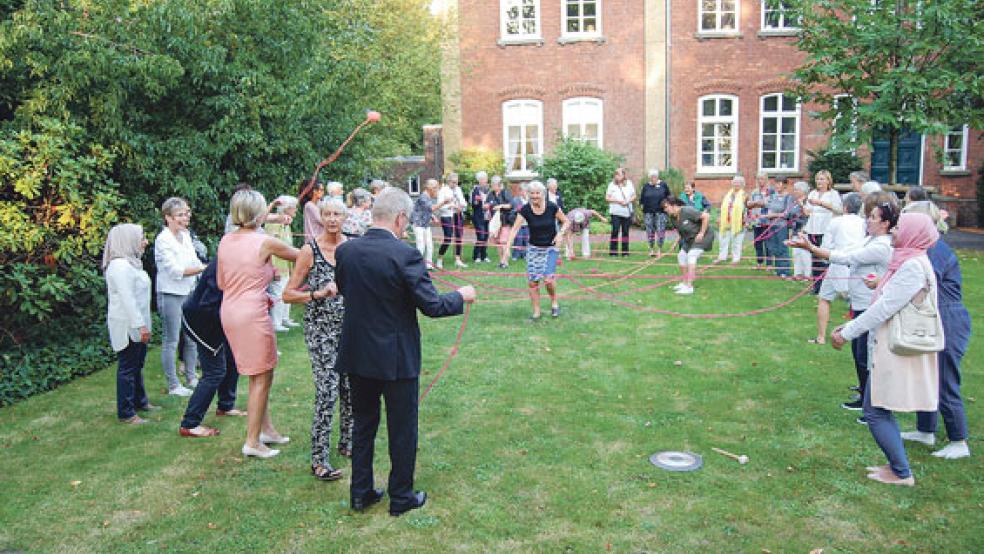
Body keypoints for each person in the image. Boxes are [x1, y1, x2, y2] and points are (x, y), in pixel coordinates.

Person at [333, 187, 476, 516]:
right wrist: (461, 295)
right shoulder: (405, 254)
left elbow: (345, 290)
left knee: (363, 424)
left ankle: (361, 492)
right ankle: (400, 497)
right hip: (395, 358)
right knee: (402, 427)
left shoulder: (347, 251)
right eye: (407, 221)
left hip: (357, 354)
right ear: (399, 218)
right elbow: (432, 305)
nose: (407, 227)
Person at [831, 213, 941, 486]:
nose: (894, 230)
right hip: (889, 345)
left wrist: (846, 333)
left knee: (875, 410)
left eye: (900, 227)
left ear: (914, 232)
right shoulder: (906, 260)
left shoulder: (913, 265)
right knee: (877, 407)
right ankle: (897, 466)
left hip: (894, 348)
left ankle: (902, 472)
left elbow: (883, 308)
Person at [790, 194, 897, 414]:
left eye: (873, 218)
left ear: (885, 223)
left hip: (870, 307)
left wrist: (812, 249)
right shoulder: (871, 240)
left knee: (866, 357)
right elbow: (847, 252)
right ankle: (864, 395)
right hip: (859, 303)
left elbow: (848, 258)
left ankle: (872, 406)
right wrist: (812, 247)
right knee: (859, 354)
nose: (867, 220)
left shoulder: (881, 246)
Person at [218, 189, 298, 458]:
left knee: (262, 373)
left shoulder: (226, 240)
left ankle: (266, 430)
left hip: (230, 310)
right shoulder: (263, 241)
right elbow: (301, 256)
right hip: (251, 313)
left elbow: (221, 282)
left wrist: (262, 273)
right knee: (260, 378)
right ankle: (252, 442)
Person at [283, 199, 353, 481]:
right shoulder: (309, 251)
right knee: (327, 391)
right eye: (327, 214)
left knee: (351, 388)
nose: (332, 219)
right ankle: (319, 459)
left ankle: (348, 443)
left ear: (345, 217)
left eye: (337, 214)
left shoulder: (351, 248)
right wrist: (316, 294)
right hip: (320, 330)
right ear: (320, 218)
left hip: (350, 328)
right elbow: (287, 294)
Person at [899, 201, 971, 459]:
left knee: (944, 379)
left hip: (947, 319)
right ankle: (925, 429)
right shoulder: (924, 248)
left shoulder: (934, 250)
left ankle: (959, 441)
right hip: (933, 316)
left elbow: (922, 285)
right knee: (926, 375)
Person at [178, 258, 247, 438]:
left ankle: (225, 405)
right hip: (202, 320)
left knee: (232, 358)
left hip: (216, 318)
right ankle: (190, 423)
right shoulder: (226, 261)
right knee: (215, 371)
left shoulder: (237, 257)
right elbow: (209, 304)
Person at [103, 223, 157, 424]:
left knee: (137, 364)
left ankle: (140, 401)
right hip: (127, 325)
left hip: (138, 322)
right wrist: (139, 326)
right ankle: (126, 412)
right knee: (128, 366)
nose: (145, 242)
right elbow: (128, 299)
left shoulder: (132, 263)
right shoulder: (120, 266)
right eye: (141, 237)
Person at [154, 197, 206, 397]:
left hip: (189, 291)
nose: (186, 218)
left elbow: (193, 261)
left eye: (187, 213)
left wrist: (202, 271)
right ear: (168, 217)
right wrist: (201, 268)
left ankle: (192, 377)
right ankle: (174, 384)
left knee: (192, 337)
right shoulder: (163, 239)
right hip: (171, 293)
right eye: (180, 215)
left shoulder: (185, 236)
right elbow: (175, 270)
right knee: (172, 339)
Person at [803, 192, 866, 344]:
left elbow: (826, 247)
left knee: (830, 299)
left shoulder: (836, 222)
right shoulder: (864, 223)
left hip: (839, 264)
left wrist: (826, 259)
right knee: (826, 297)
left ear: (845, 207)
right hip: (855, 265)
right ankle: (823, 337)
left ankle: (826, 337)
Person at [506, 181, 569, 319]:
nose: (534, 196)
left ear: (543, 194)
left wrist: (560, 234)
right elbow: (514, 229)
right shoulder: (525, 209)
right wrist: (507, 248)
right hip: (534, 249)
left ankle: (554, 302)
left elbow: (566, 221)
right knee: (533, 281)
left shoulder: (552, 207)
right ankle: (536, 312)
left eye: (537, 193)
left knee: (548, 280)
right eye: (532, 193)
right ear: (528, 194)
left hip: (551, 249)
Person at [662, 198, 714, 295]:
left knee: (692, 255)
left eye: (666, 207)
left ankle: (689, 287)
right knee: (681, 256)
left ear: (674, 205)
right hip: (690, 239)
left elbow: (706, 216)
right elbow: (681, 232)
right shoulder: (673, 217)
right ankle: (685, 283)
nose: (665, 210)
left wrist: (702, 233)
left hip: (704, 236)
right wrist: (675, 244)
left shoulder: (687, 210)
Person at [804, 170, 844, 292]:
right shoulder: (812, 193)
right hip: (813, 229)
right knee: (814, 257)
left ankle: (827, 286)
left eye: (822, 179)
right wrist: (805, 209)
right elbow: (808, 210)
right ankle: (816, 285)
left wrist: (821, 203)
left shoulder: (833, 194)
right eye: (818, 179)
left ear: (828, 181)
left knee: (824, 258)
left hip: (826, 230)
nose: (819, 182)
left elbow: (839, 210)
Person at [266, 195, 299, 332]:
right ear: (287, 208)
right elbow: (271, 249)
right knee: (277, 293)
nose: (296, 210)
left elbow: (288, 247)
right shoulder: (273, 224)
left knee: (286, 291)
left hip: (286, 265)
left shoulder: (286, 224)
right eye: (294, 207)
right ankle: (276, 323)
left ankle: (284, 318)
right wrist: (274, 269)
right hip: (277, 266)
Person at [411, 179, 446, 269]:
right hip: (418, 224)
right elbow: (431, 208)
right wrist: (443, 202)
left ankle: (429, 265)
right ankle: (416, 264)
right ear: (430, 188)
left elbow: (426, 210)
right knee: (421, 245)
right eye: (436, 188)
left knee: (430, 245)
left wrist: (432, 216)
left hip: (425, 224)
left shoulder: (428, 197)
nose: (437, 191)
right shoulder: (423, 196)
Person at [763, 179, 794, 277]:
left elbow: (787, 214)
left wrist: (773, 215)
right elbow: (768, 207)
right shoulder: (773, 196)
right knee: (773, 247)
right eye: (776, 183)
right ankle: (778, 270)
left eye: (779, 183)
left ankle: (785, 271)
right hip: (772, 225)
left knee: (782, 248)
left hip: (782, 226)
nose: (777, 186)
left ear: (785, 185)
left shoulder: (788, 197)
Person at [436, 173, 468, 269]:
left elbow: (464, 202)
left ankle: (458, 259)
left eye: (457, 182)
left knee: (459, 237)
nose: (455, 184)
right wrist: (450, 206)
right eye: (454, 182)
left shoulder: (458, 189)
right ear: (448, 181)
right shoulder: (443, 190)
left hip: (457, 215)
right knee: (448, 238)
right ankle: (439, 259)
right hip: (446, 216)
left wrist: (461, 206)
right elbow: (439, 206)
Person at [640, 169, 671, 258]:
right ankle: (651, 249)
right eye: (651, 177)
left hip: (660, 212)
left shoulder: (663, 185)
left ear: (657, 177)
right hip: (648, 212)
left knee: (660, 230)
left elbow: (669, 197)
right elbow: (642, 199)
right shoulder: (646, 186)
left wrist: (667, 208)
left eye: (654, 177)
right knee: (650, 231)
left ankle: (659, 249)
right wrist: (642, 208)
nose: (653, 179)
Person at [716, 176, 747, 265]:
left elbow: (748, 209)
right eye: (734, 182)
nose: (736, 184)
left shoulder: (744, 195)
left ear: (742, 184)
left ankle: (736, 259)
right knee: (723, 240)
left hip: (739, 222)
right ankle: (722, 257)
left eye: (738, 182)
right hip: (726, 221)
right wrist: (720, 217)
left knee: (737, 242)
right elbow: (723, 207)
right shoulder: (728, 194)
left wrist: (745, 220)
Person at [605, 167, 635, 256]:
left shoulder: (629, 183)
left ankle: (625, 252)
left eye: (619, 174)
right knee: (615, 231)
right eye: (616, 174)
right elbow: (607, 198)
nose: (617, 176)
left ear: (623, 175)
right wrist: (618, 201)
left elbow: (634, 196)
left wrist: (627, 201)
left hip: (626, 213)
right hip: (615, 212)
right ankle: (613, 252)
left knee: (625, 232)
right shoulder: (611, 185)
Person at [746, 171, 773, 268]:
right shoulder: (754, 192)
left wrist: (755, 203)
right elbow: (749, 205)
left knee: (768, 244)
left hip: (767, 221)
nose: (760, 181)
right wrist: (756, 203)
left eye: (762, 179)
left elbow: (767, 204)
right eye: (758, 179)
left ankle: (769, 264)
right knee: (757, 243)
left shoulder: (771, 191)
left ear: (766, 180)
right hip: (756, 221)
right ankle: (759, 262)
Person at [487, 176, 513, 268]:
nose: (492, 186)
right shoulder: (491, 194)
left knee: (503, 241)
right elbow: (487, 204)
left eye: (493, 185)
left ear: (499, 185)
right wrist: (486, 206)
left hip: (505, 220)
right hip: (495, 222)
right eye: (492, 185)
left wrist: (501, 206)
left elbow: (510, 205)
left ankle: (505, 261)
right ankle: (501, 261)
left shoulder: (506, 192)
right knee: (497, 242)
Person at [788, 181, 811, 279]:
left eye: (796, 189)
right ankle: (798, 273)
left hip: (804, 230)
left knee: (804, 253)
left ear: (803, 191)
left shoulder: (808, 201)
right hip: (795, 229)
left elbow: (808, 215)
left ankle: (807, 274)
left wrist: (803, 229)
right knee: (796, 253)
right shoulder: (795, 202)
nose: (794, 191)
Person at [470, 171, 492, 263]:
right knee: (481, 236)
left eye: (485, 179)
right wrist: (478, 203)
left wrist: (489, 205)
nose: (484, 181)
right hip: (478, 216)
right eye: (482, 179)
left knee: (486, 236)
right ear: (479, 180)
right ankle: (476, 256)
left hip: (487, 216)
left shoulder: (489, 190)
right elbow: (473, 204)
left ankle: (484, 256)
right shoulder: (475, 190)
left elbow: (493, 201)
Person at [510, 182, 530, 261]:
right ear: (520, 191)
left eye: (527, 191)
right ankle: (516, 255)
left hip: (528, 224)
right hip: (518, 224)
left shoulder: (530, 200)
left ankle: (525, 254)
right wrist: (517, 210)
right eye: (524, 191)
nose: (526, 193)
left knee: (527, 239)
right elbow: (512, 212)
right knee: (518, 239)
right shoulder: (515, 200)